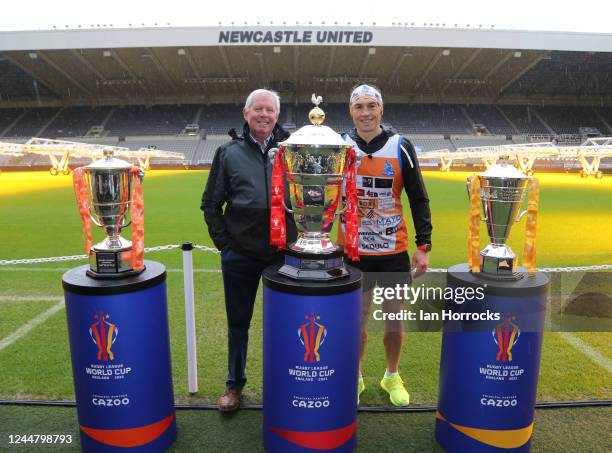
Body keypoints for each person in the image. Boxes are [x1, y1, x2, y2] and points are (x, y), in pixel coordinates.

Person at [201, 89, 297, 412]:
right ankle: (234, 385)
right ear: (246, 113)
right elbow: (211, 204)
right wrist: (226, 246)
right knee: (238, 323)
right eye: (258, 109)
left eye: (270, 110)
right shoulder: (227, 153)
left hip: (281, 256)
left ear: (277, 116)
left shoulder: (292, 151)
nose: (264, 115)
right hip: (240, 255)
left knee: (284, 324)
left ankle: (283, 383)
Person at [338, 84, 432, 407]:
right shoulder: (340, 146)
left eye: (371, 106)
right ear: (351, 111)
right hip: (355, 253)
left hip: (393, 252)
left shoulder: (400, 146)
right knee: (358, 320)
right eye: (359, 106)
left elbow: (418, 198)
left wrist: (424, 245)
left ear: (381, 109)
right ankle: (357, 375)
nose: (366, 112)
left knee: (394, 320)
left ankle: (391, 374)